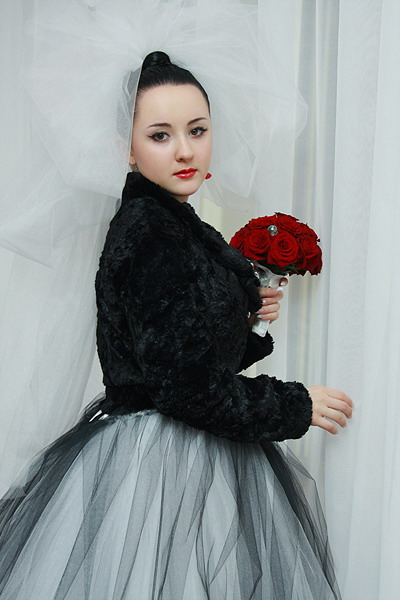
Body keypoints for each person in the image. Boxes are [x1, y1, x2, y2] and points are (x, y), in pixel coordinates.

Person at [0, 51, 352, 600]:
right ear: (127, 149)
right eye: (160, 135)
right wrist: (295, 404)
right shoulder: (150, 230)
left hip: (171, 451)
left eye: (197, 130)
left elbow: (177, 352)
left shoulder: (171, 220)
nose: (185, 150)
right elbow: (185, 387)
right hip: (162, 461)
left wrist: (242, 318)